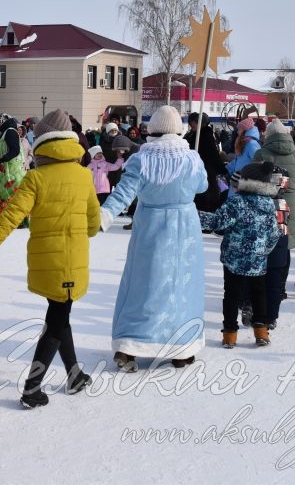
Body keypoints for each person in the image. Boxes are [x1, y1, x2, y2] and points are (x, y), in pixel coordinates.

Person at [0, 109, 100, 408]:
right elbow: (93, 225)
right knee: (58, 319)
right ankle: (32, 388)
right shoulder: (84, 176)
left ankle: (74, 374)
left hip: (46, 263)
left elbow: (10, 216)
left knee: (60, 314)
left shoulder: (35, 177)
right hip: (71, 261)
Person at [99, 105, 208, 370]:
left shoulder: (142, 159)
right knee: (183, 287)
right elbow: (202, 186)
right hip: (185, 230)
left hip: (152, 227)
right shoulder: (192, 159)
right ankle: (181, 348)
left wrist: (103, 216)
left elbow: (124, 192)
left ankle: (130, 346)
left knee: (143, 285)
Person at [199, 162, 282, 348]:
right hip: (258, 259)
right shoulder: (269, 203)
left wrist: (193, 214)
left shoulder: (237, 201)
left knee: (232, 295)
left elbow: (218, 222)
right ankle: (261, 331)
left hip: (234, 258)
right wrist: (264, 250)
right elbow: (274, 232)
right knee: (259, 294)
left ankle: (230, 334)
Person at [251, 119, 295, 313]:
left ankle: (263, 285)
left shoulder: (261, 153)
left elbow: (254, 179)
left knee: (266, 245)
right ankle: (280, 288)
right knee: (284, 246)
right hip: (291, 203)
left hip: (268, 201)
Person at [185, 113, 228, 212]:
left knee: (204, 198)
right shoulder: (196, 135)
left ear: (197, 123)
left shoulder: (204, 136)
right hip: (202, 172)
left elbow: (213, 155)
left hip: (206, 172)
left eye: (192, 123)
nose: (191, 125)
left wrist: (222, 169)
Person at [0, 114, 26, 225]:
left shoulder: (10, 131)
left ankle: (13, 221)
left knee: (9, 194)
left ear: (3, 121)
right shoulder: (5, 132)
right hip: (5, 170)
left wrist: (2, 159)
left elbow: (15, 150)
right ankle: (4, 220)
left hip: (11, 171)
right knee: (5, 194)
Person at [225, 117, 262, 186]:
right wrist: (227, 168)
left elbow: (258, 163)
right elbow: (239, 160)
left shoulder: (251, 144)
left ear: (245, 130)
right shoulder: (244, 143)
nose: (237, 131)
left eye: (239, 129)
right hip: (238, 180)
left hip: (245, 182)